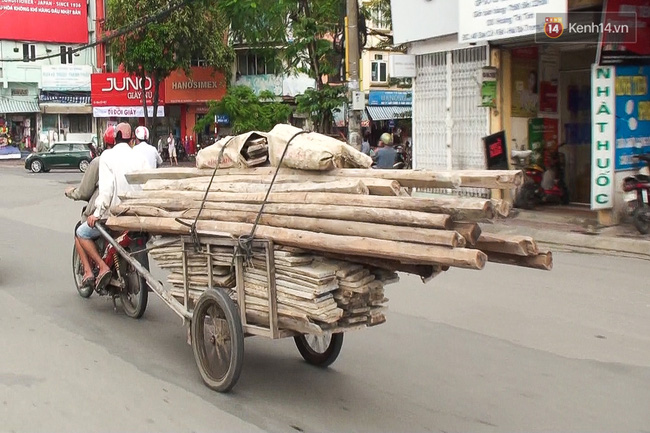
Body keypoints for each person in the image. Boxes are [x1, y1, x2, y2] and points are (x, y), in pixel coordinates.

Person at [76, 122, 148, 291]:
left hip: (113, 216)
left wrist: (98, 213)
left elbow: (106, 190)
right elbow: (147, 185)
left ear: (114, 139)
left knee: (81, 232)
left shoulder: (107, 156)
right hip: (138, 216)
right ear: (132, 140)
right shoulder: (140, 157)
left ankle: (101, 267)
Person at [65, 149, 102, 288]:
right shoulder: (134, 158)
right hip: (131, 210)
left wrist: (71, 192)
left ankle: (90, 270)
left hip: (105, 211)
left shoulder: (100, 162)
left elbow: (84, 191)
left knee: (80, 231)